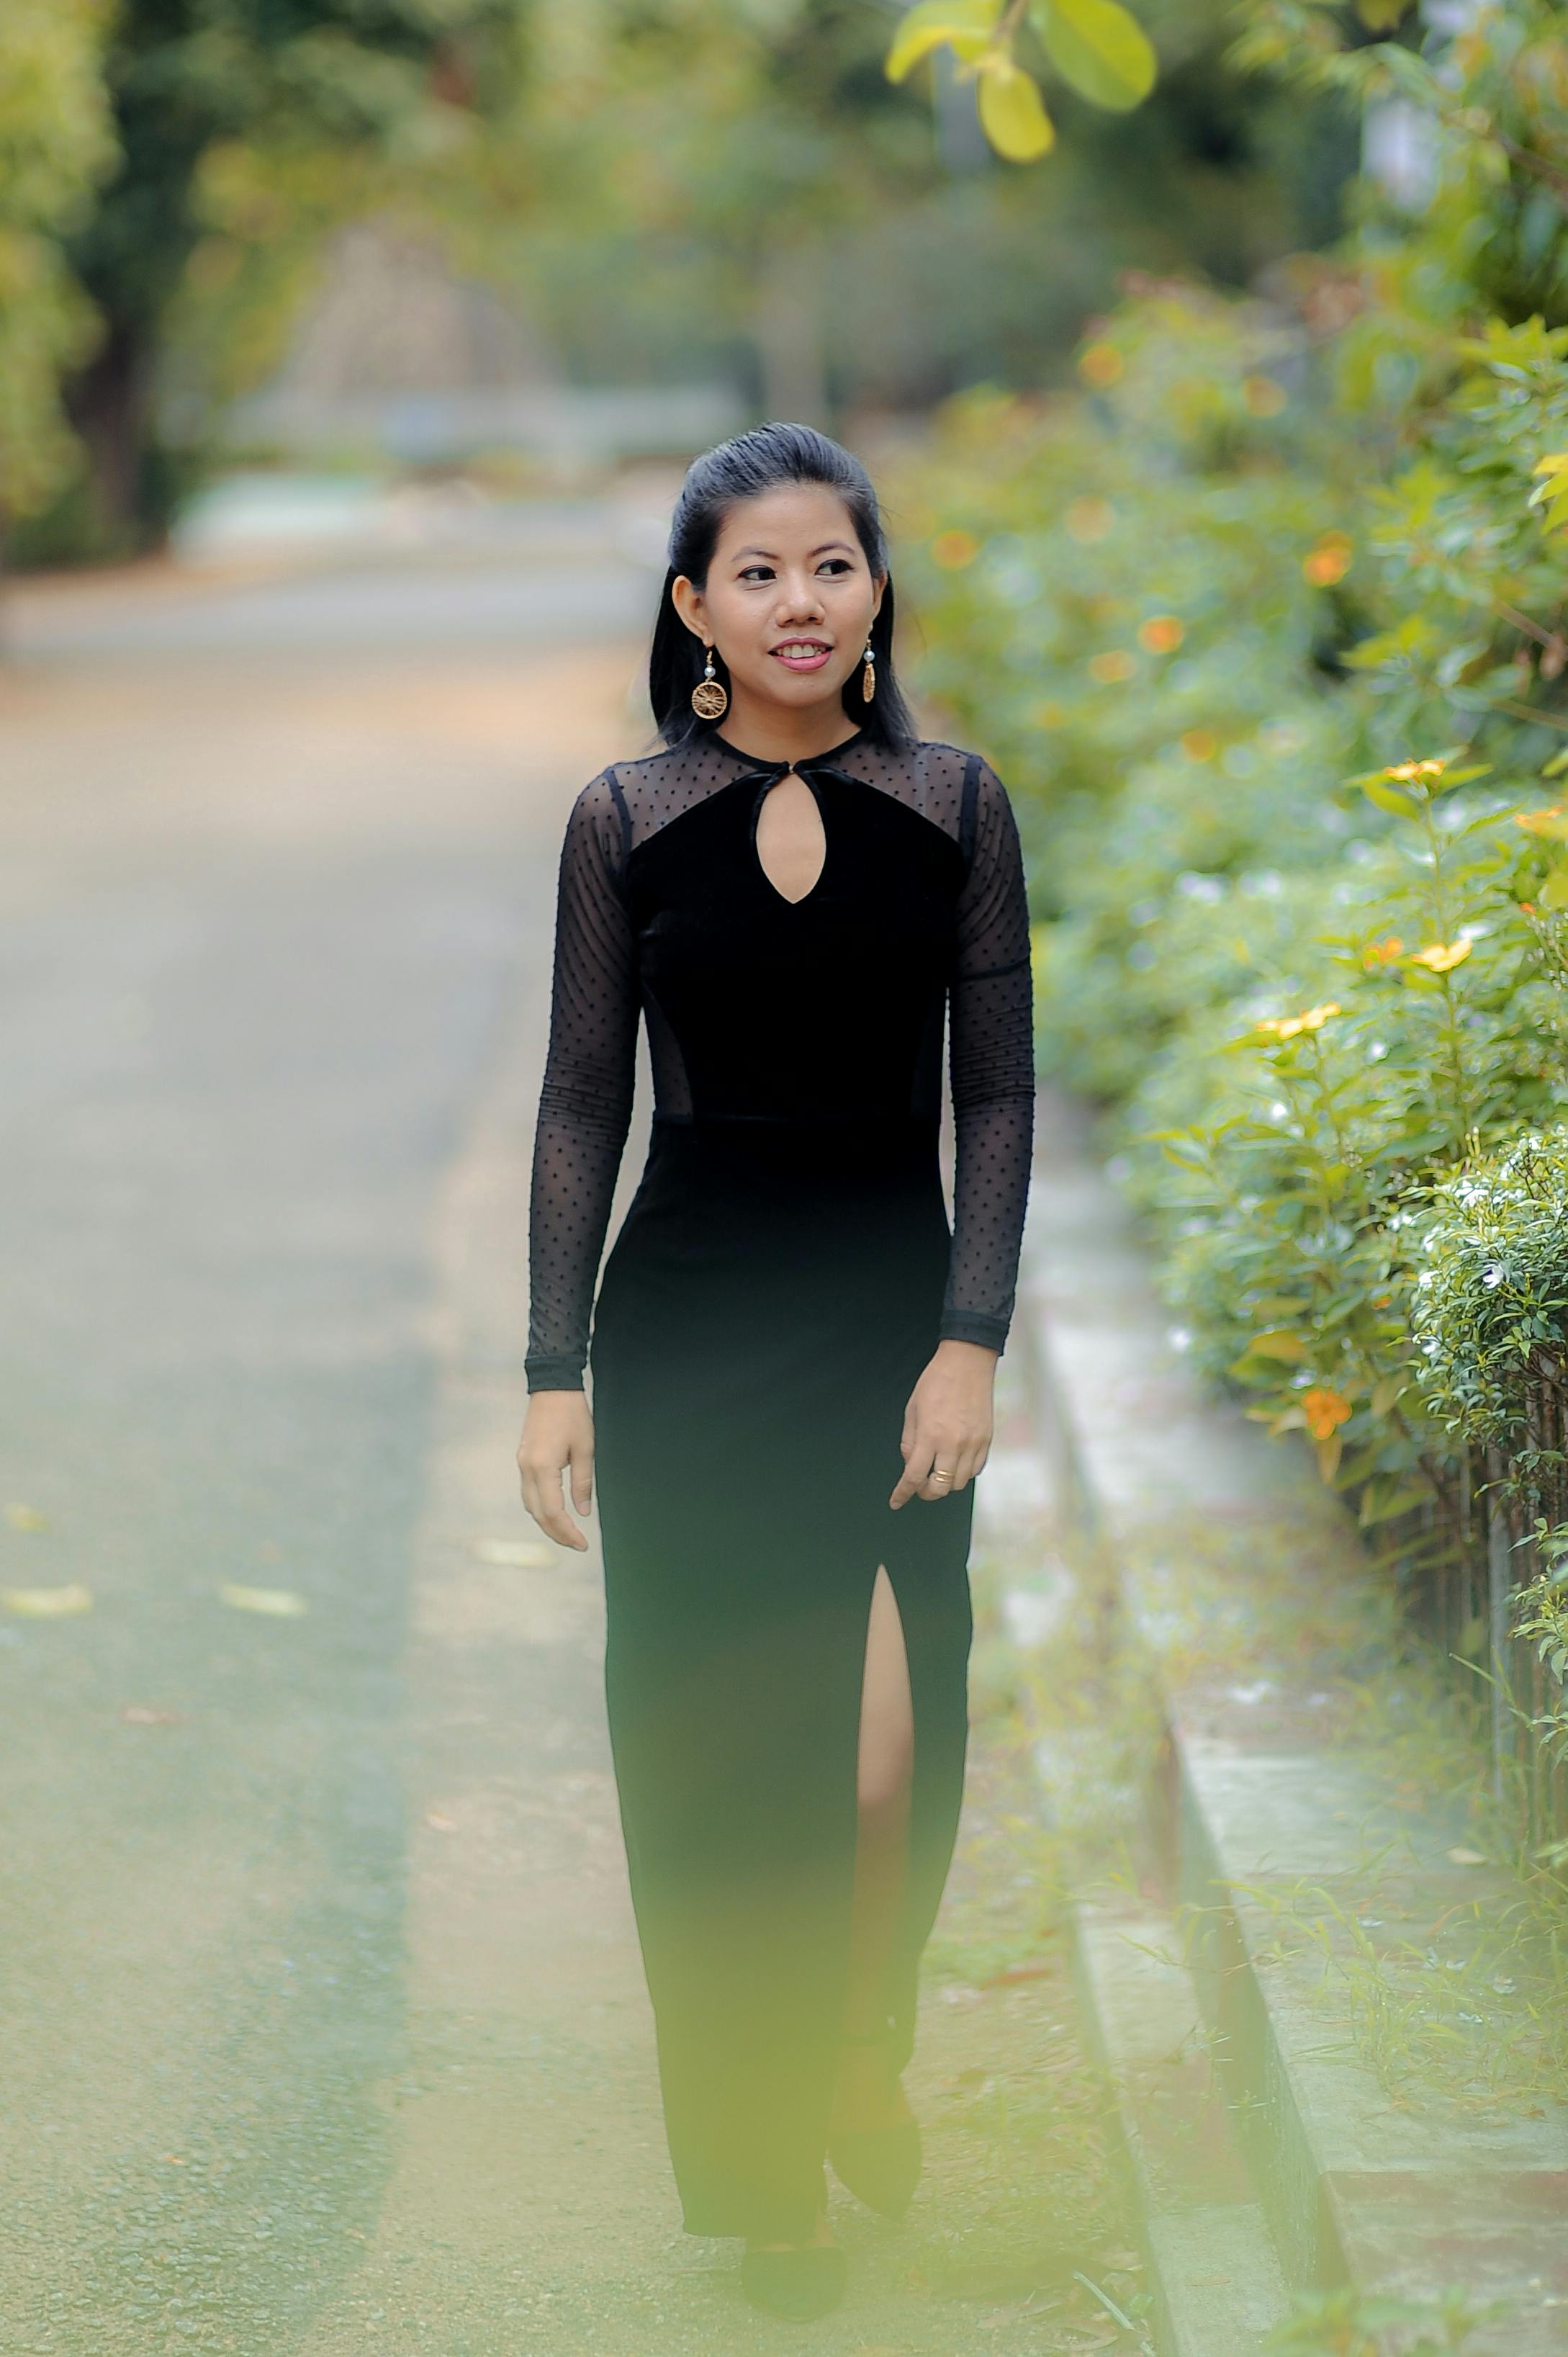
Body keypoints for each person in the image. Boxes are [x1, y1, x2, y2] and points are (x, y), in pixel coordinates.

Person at [516, 421, 1034, 2322]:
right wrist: (550, 1365)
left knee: (892, 1759)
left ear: (874, 588)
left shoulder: (955, 806)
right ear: (694, 611)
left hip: (891, 1335)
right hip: (683, 1344)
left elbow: (996, 1088)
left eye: (830, 563)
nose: (796, 600)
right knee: (719, 1764)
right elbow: (584, 1095)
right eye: (755, 572)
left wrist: (969, 1338)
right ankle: (765, 2185)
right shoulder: (624, 819)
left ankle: (851, 2047)